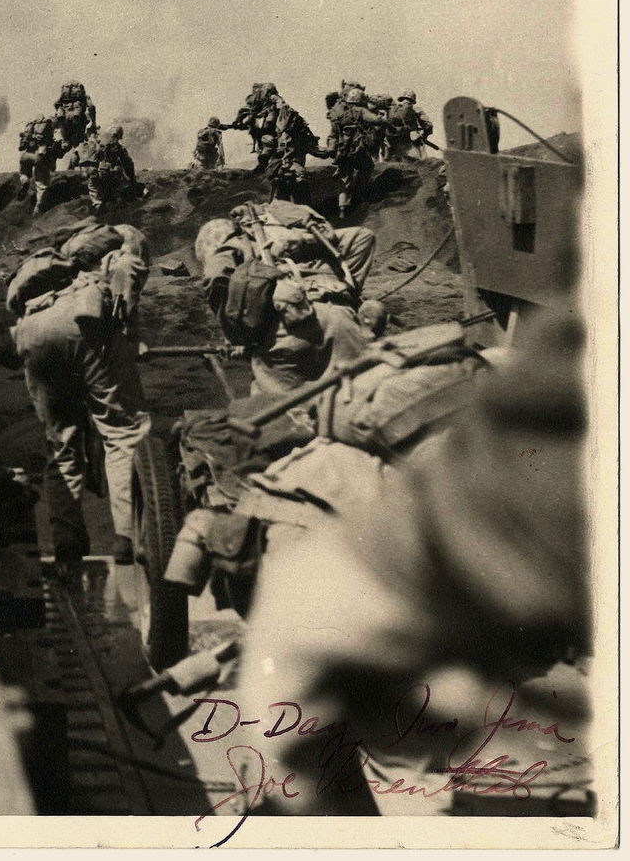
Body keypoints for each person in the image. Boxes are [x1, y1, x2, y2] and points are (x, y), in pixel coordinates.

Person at [235, 310, 589, 815]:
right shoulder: (491, 448)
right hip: (357, 594)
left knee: (316, 762)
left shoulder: (479, 429)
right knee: (397, 770)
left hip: (330, 574)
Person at [8, 223, 152, 568]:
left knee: (60, 442)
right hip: (84, 323)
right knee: (123, 431)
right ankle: (128, 537)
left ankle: (67, 542)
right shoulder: (123, 246)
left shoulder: (58, 267)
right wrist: (131, 333)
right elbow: (129, 278)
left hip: (32, 332)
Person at [196, 200, 379, 402]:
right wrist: (346, 294)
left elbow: (215, 276)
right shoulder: (296, 242)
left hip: (287, 335)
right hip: (341, 320)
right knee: (359, 400)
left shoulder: (233, 247)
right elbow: (364, 237)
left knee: (281, 418)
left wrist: (238, 337)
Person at [327, 86, 389, 213]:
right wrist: (384, 119)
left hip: (342, 150)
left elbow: (333, 135)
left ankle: (342, 209)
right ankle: (361, 197)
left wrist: (332, 150)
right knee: (367, 167)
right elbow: (375, 120)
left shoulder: (338, 114)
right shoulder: (360, 110)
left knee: (345, 178)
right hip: (357, 149)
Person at [265, 98, 324, 204]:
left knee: (279, 205)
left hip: (281, 173)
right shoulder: (302, 137)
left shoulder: (276, 137)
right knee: (303, 205)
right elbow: (316, 151)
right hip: (296, 174)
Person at [84, 124, 141, 214]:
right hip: (111, 174)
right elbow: (129, 164)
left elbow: (90, 159)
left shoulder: (98, 143)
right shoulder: (119, 148)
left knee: (93, 186)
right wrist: (132, 180)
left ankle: (98, 204)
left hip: (99, 174)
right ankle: (116, 201)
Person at [16, 115, 62, 211]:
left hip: (26, 155)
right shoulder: (52, 128)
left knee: (24, 173)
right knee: (41, 184)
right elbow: (58, 144)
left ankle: (25, 181)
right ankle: (38, 209)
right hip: (40, 155)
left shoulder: (30, 126)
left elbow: (21, 146)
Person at [385, 91, 435, 160]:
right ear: (413, 100)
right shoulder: (416, 110)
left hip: (393, 145)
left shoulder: (391, 109)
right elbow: (429, 125)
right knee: (420, 164)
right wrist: (424, 136)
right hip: (411, 145)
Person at [53, 81, 98, 155]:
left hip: (65, 119)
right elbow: (92, 107)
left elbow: (55, 104)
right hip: (77, 119)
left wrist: (61, 109)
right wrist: (93, 122)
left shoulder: (63, 98)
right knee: (80, 140)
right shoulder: (85, 97)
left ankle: (64, 144)